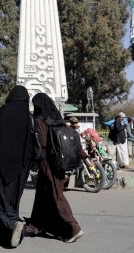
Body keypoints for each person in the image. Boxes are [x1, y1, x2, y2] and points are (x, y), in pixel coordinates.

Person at [25, 92, 84, 243]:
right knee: (42, 194)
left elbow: (42, 143)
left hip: (47, 162)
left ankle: (73, 227)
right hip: (61, 163)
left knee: (56, 195)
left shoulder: (39, 121)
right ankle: (36, 225)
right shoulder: (58, 119)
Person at [0, 85, 33, 248]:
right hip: (21, 168)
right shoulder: (28, 117)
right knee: (13, 200)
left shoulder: (4, 112)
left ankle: (13, 222)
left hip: (4, 165)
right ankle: (3, 237)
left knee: (2, 199)